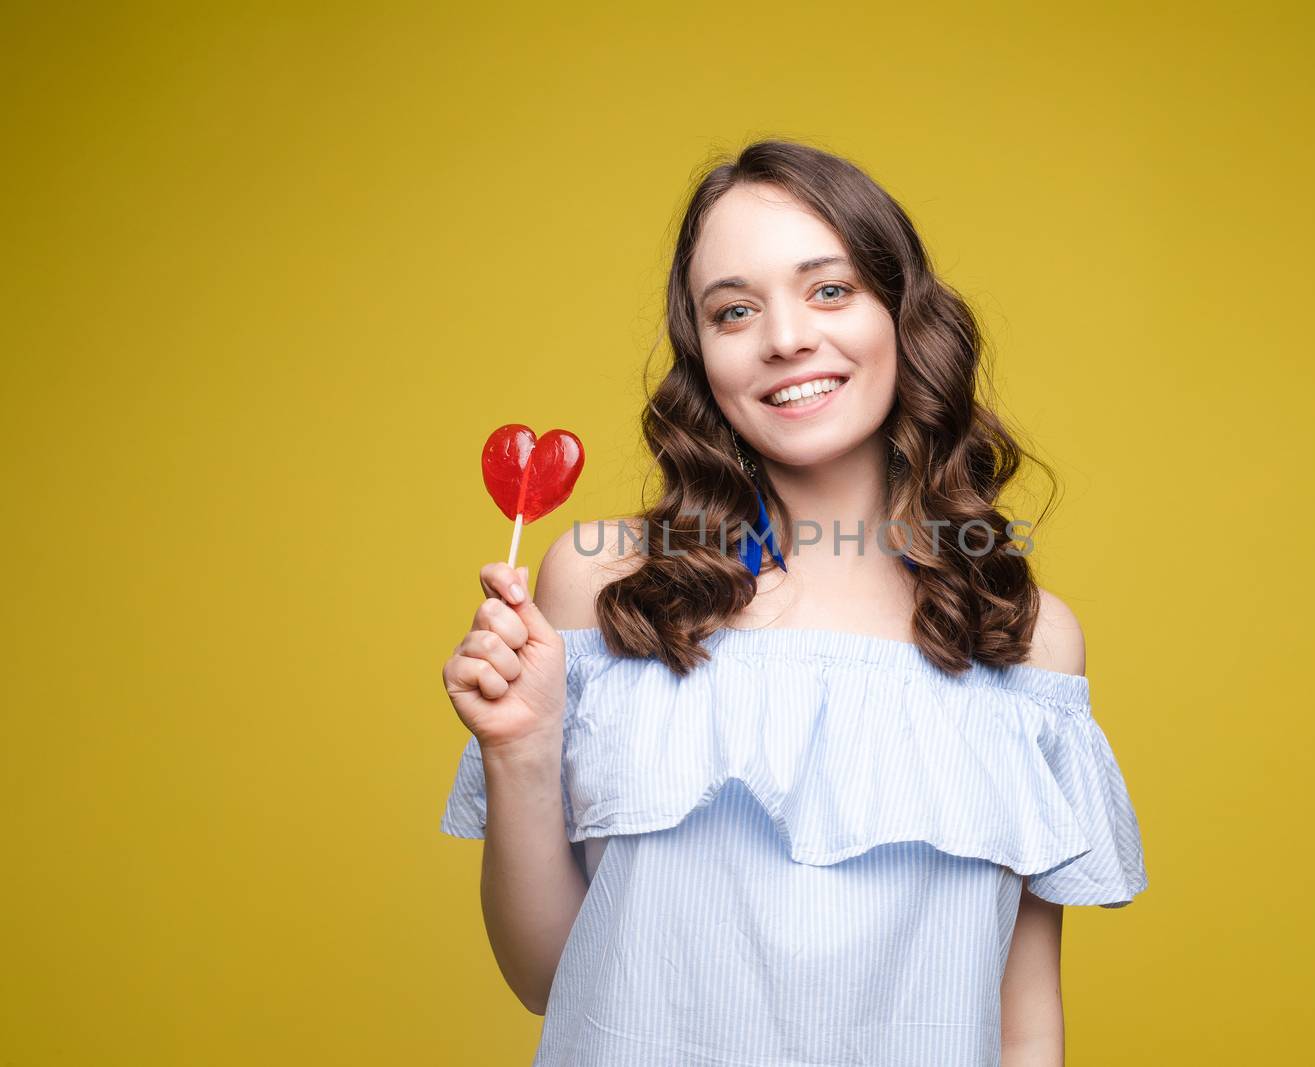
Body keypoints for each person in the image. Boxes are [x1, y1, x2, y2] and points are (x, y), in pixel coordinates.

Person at [439, 139, 1149, 1066]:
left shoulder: (1025, 640)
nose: (784, 338)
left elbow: (1022, 1015)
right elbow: (549, 979)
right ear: (706, 357)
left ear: (903, 317)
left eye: (829, 290)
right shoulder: (607, 582)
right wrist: (521, 749)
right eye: (734, 310)